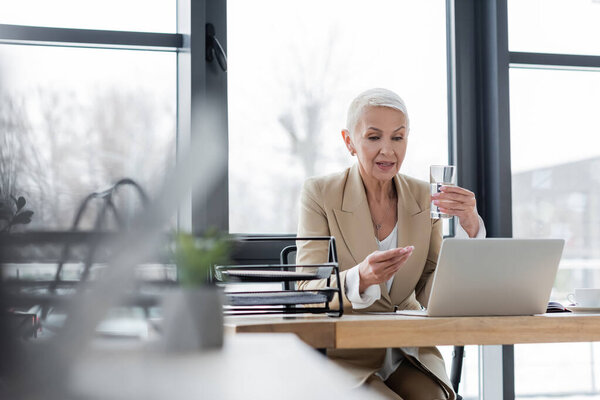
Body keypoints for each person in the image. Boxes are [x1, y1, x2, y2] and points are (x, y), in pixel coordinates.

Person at [296, 88, 486, 399]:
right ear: (349, 142)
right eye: (374, 137)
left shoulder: (425, 197)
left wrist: (470, 229)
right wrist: (361, 278)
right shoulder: (320, 193)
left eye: (397, 138)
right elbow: (308, 291)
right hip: (347, 354)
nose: (388, 150)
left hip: (410, 351)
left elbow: (431, 286)